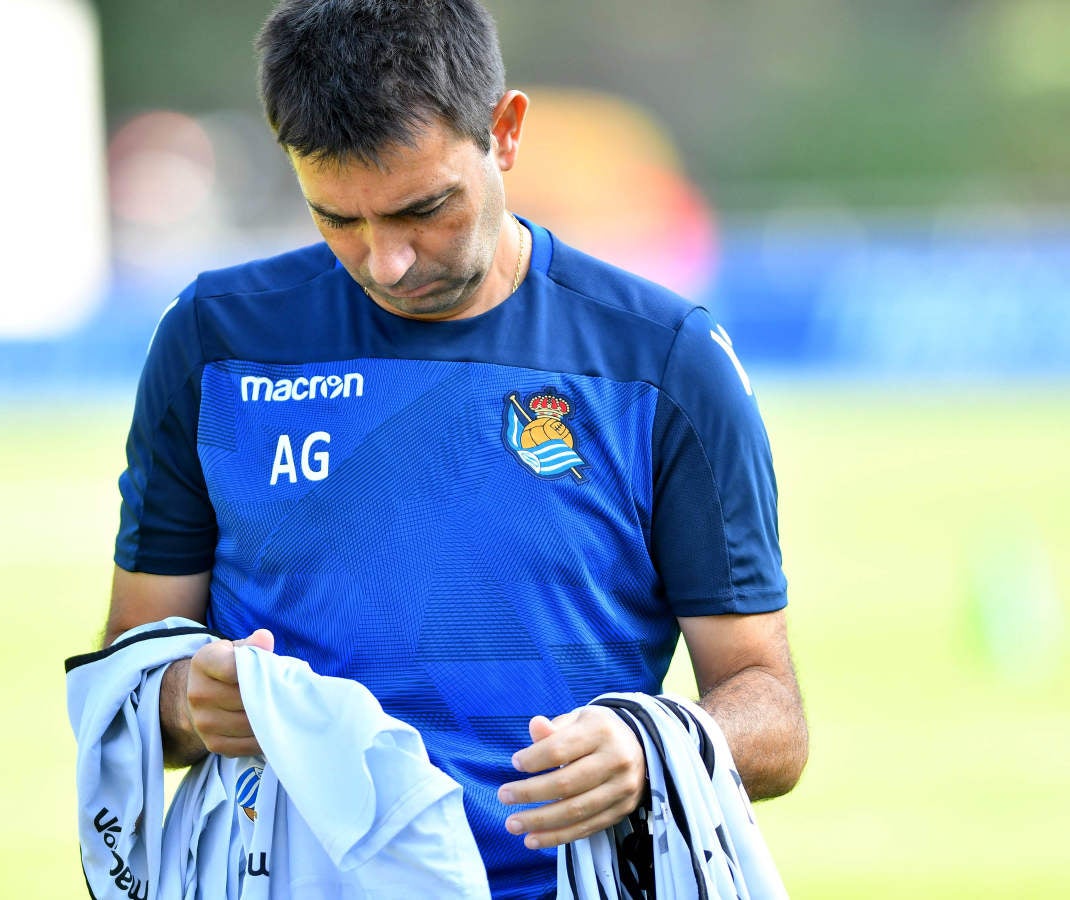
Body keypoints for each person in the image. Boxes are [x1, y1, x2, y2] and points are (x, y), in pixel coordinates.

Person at [101, 1, 808, 896]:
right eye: (336, 219)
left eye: (423, 209)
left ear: (504, 133)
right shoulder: (214, 340)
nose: (384, 261)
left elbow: (771, 717)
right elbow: (139, 663)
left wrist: (649, 745)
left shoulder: (666, 364)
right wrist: (182, 702)